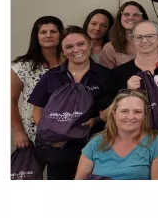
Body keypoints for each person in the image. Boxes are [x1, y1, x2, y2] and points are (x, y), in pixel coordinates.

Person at [28, 26, 113, 180]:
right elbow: (37, 108)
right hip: (60, 151)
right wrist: (50, 135)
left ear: (90, 45)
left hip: (95, 148)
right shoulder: (52, 76)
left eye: (81, 44)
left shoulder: (105, 75)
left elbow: (113, 110)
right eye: (69, 46)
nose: (76, 50)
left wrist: (96, 120)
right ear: (63, 51)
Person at [103, 21, 158, 144]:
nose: (144, 41)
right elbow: (105, 115)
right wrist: (127, 93)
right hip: (132, 141)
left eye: (150, 36)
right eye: (139, 37)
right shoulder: (118, 73)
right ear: (133, 40)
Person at [75, 90, 158, 180]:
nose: (130, 117)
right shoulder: (96, 142)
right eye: (124, 111)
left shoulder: (155, 142)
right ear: (114, 114)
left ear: (145, 115)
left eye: (137, 112)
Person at [11, 16, 64, 147]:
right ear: (36, 36)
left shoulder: (70, 63)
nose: (48, 35)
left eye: (53, 31)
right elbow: (10, 100)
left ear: (61, 35)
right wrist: (18, 131)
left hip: (65, 132)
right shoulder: (22, 66)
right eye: (43, 32)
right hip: (33, 132)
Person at [99, 2, 158, 69]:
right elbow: (106, 77)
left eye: (136, 15)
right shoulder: (110, 48)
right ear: (120, 18)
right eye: (126, 14)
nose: (131, 17)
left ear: (143, 18)